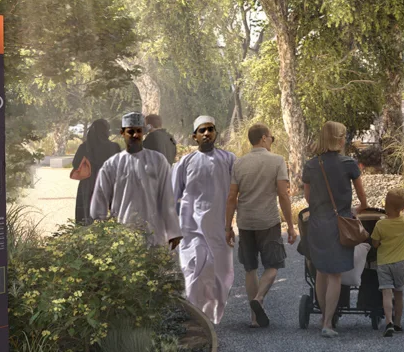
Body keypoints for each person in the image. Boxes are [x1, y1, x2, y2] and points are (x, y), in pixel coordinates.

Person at [302, 119, 371, 337]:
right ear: (339, 139)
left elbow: (307, 197)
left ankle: (324, 316)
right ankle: (328, 324)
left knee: (321, 272)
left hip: (317, 225)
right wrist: (355, 211)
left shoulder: (311, 165)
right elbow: (363, 200)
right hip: (339, 224)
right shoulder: (348, 164)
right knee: (336, 275)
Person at [171, 115, 238, 325]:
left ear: (216, 133)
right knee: (194, 271)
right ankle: (196, 319)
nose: (207, 133)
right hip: (191, 228)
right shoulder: (185, 162)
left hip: (219, 227)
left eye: (210, 129)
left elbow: (237, 194)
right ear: (194, 137)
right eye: (202, 130)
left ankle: (213, 316)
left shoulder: (229, 159)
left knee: (221, 274)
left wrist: (232, 224)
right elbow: (172, 196)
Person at [228, 124, 296, 329]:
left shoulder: (239, 164)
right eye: (272, 138)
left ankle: (254, 318)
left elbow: (232, 197)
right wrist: (291, 225)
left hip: (245, 222)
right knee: (273, 266)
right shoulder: (277, 161)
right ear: (265, 138)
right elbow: (283, 194)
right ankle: (258, 299)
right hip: (268, 221)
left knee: (250, 268)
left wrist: (227, 226)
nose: (271, 142)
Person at [89, 112, 179, 248]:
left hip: (154, 231)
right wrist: (100, 228)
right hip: (122, 231)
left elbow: (167, 197)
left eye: (139, 131)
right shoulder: (112, 164)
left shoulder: (158, 160)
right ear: (122, 132)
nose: (135, 135)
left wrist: (174, 232)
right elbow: (100, 197)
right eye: (131, 131)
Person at [371, 188, 404, 337]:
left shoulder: (380, 225)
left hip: (384, 263)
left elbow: (375, 243)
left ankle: (388, 322)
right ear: (402, 208)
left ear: (386, 204)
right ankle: (398, 323)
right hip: (400, 262)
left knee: (386, 293)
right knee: (399, 293)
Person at [70, 119, 121, 224]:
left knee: (86, 214)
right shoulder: (114, 147)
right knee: (108, 215)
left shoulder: (85, 146)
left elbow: (76, 164)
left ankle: (85, 234)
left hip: (88, 183)